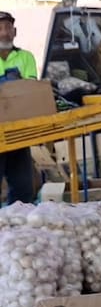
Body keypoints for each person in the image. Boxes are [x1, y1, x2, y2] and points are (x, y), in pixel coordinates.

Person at [0, 11, 39, 203]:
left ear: (14, 32)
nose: (4, 32)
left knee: (23, 189)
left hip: (19, 132)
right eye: (0, 28)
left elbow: (30, 89)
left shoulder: (26, 57)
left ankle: (17, 221)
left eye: (8, 28)